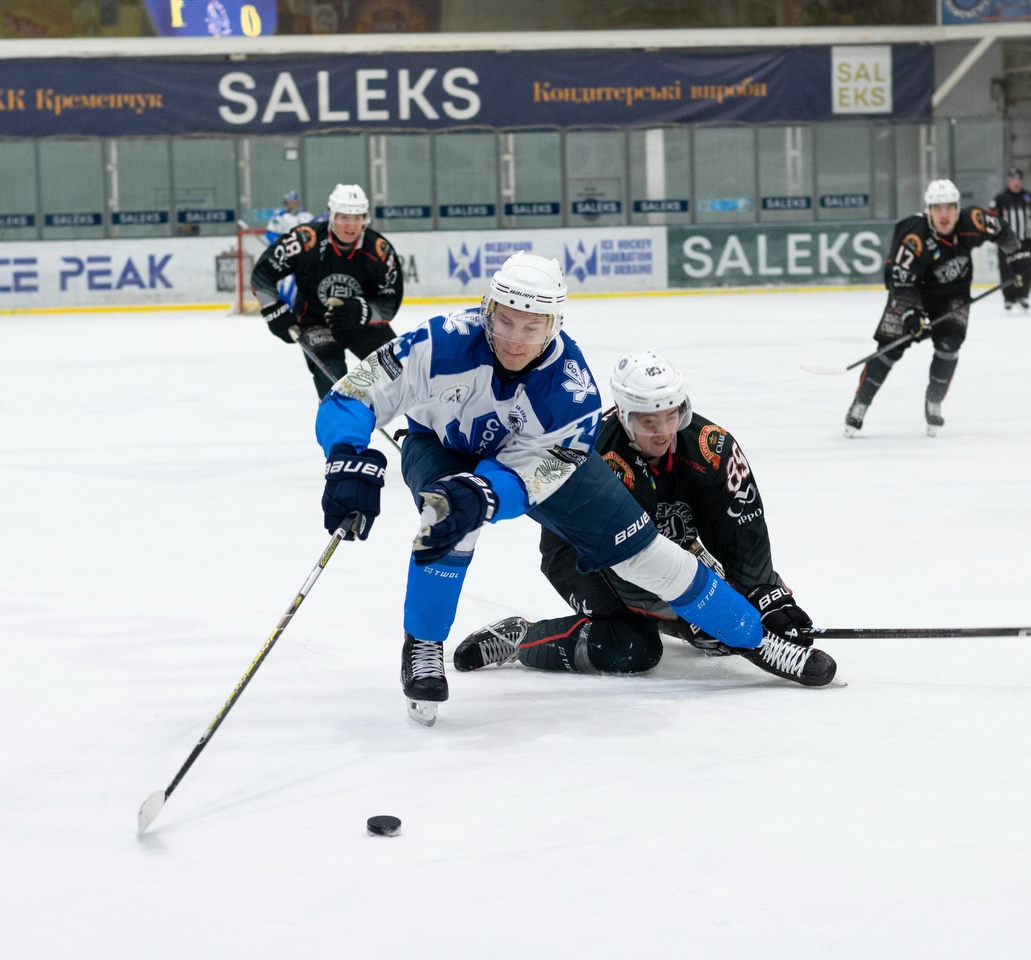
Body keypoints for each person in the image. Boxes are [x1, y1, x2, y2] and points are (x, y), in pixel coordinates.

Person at [312, 253, 837, 727]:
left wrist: (488, 492)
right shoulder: (438, 340)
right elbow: (354, 393)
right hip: (444, 443)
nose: (516, 338)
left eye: (532, 326)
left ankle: (755, 637)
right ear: (487, 309)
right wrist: (345, 457)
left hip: (541, 465)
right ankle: (423, 644)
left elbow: (540, 471)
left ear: (554, 325)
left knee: (646, 554)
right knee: (448, 516)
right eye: (506, 320)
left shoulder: (572, 388)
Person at [452, 350, 823, 682]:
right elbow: (628, 565)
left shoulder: (712, 446)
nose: (664, 432)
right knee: (631, 647)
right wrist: (685, 616)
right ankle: (523, 637)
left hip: (671, 548)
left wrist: (765, 594)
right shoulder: (595, 457)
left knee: (730, 609)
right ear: (625, 415)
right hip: (582, 555)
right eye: (649, 422)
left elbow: (742, 528)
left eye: (672, 415)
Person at [843, 178, 1031, 439]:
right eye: (937, 208)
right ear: (928, 210)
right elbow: (899, 279)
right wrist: (911, 313)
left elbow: (1001, 230)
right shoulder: (913, 236)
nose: (944, 215)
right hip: (912, 293)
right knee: (889, 349)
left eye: (949, 207)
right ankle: (860, 404)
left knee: (949, 346)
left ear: (958, 208)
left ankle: (934, 402)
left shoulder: (974, 220)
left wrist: (1018, 257)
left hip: (952, 293)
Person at [251, 184, 403, 399]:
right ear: (331, 215)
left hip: (361, 322)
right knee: (334, 386)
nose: (350, 225)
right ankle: (342, 432)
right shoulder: (306, 240)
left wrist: (363, 312)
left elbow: (389, 303)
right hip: (316, 323)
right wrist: (273, 310)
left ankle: (422, 430)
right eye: (343, 217)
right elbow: (263, 274)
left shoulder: (379, 250)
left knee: (400, 372)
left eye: (357, 217)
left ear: (365, 218)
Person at [990, 168, 1031, 312]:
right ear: (1008, 182)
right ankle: (1009, 298)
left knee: (1029, 268)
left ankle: (1023, 296)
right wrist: (994, 236)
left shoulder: (1029, 198)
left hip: (1025, 241)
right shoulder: (1000, 199)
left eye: (1019, 180)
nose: (1016, 183)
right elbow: (992, 218)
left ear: (1022, 182)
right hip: (1006, 241)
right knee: (1007, 270)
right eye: (1013, 180)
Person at [263, 190, 317, 308]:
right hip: (286, 257)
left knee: (303, 283)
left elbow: (315, 232)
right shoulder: (279, 217)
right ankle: (285, 308)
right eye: (290, 202)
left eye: (294, 202)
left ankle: (298, 308)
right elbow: (270, 234)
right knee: (284, 283)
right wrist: (281, 244)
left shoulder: (306, 216)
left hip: (304, 257)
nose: (292, 204)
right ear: (286, 203)